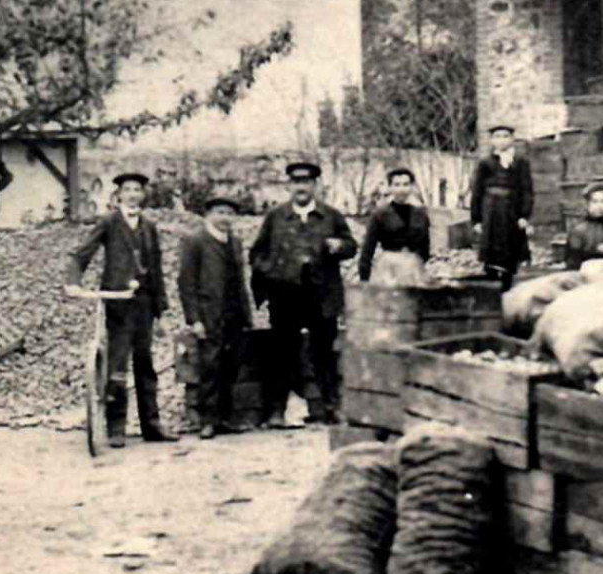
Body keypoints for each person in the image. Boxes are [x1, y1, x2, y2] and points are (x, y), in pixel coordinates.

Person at [249, 161, 358, 426]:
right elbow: (256, 254)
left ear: (315, 185)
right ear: (289, 186)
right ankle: (277, 411)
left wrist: (339, 246)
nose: (301, 187)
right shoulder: (275, 217)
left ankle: (331, 407)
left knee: (325, 355)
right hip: (285, 298)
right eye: (296, 182)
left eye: (307, 182)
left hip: (321, 297)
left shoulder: (331, 216)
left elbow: (352, 246)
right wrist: (275, 272)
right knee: (282, 355)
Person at [66, 171, 169, 448]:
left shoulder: (149, 226)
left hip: (144, 304)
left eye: (138, 190)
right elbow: (81, 253)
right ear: (119, 195)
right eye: (128, 190)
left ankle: (152, 426)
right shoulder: (109, 222)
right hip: (118, 302)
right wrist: (73, 283)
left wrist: (160, 309)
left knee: (145, 364)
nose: (133, 194)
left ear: (143, 194)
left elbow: (157, 269)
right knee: (117, 366)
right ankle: (116, 428)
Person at [176, 195, 252, 440]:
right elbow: (186, 282)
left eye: (229, 214)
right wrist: (194, 319)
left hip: (234, 315)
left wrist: (247, 315)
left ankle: (225, 418)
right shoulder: (195, 241)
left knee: (232, 365)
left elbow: (240, 282)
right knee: (210, 366)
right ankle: (207, 420)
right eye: (220, 213)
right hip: (209, 315)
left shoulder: (235, 242)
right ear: (208, 215)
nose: (225, 218)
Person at [470, 124, 535, 289]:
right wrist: (476, 219)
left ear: (512, 140)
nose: (501, 140)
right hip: (491, 212)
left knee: (510, 252)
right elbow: (477, 191)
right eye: (497, 136)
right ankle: (491, 288)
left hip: (511, 213)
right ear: (492, 140)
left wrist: (524, 216)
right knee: (491, 253)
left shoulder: (521, 162)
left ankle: (508, 285)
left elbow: (527, 190)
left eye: (505, 136)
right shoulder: (485, 163)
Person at [359, 167, 432, 287]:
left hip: (413, 267)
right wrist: (364, 280)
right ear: (390, 187)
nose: (401, 189)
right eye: (397, 185)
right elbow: (367, 250)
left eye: (405, 184)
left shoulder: (421, 214)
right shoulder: (380, 214)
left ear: (412, 187)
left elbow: (425, 247)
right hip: (388, 268)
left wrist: (416, 263)